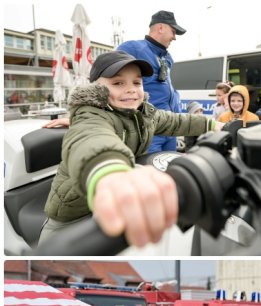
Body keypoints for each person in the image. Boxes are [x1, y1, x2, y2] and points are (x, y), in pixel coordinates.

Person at [39, 50, 221, 248]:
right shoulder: (90, 115)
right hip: (72, 212)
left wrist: (214, 125)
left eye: (137, 82)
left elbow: (177, 121)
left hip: (116, 207)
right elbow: (91, 137)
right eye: (118, 83)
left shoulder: (143, 113)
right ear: (97, 89)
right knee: (50, 253)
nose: (131, 89)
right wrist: (113, 174)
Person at [118, 10, 186, 152]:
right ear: (161, 28)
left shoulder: (167, 58)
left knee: (169, 169)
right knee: (151, 172)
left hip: (169, 128)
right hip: (149, 130)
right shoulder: (132, 48)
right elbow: (107, 82)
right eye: (173, 32)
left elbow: (168, 91)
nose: (174, 38)